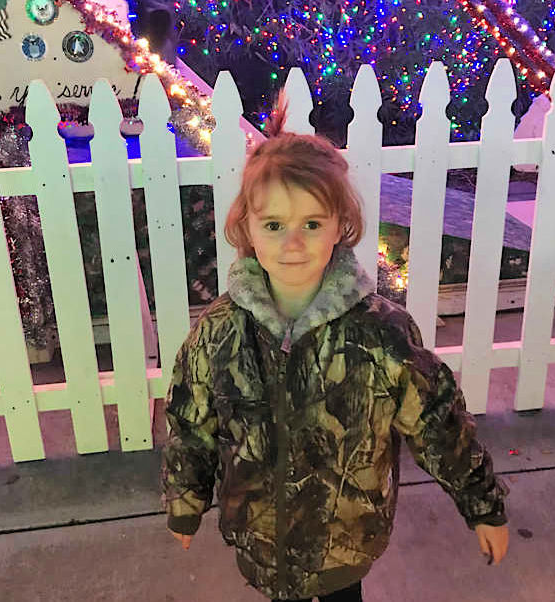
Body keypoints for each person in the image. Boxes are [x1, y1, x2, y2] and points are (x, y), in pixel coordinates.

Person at [161, 99, 509, 602]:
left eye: (312, 224)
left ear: (340, 225)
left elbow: (437, 420)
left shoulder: (380, 333)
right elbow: (192, 422)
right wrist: (186, 500)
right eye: (275, 225)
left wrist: (482, 504)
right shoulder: (220, 332)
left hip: (343, 547)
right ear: (247, 227)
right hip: (260, 541)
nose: (293, 243)